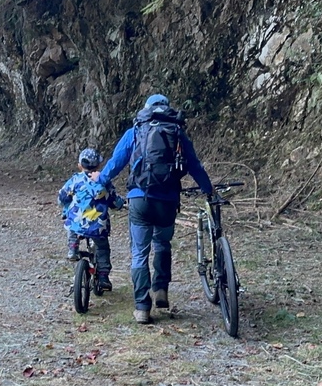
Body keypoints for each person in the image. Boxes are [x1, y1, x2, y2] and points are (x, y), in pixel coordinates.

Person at [93, 94, 213, 324]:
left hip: (140, 200)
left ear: (146, 110)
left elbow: (115, 163)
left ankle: (142, 308)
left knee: (139, 252)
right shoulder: (177, 132)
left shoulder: (136, 131)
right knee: (162, 244)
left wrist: (101, 179)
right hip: (167, 200)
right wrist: (208, 189)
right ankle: (160, 290)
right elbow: (194, 166)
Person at [58, 148, 125, 292]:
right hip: (98, 226)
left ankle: (73, 249)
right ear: (99, 166)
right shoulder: (104, 183)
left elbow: (63, 196)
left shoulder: (75, 179)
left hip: (77, 222)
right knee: (102, 248)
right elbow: (114, 201)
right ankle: (103, 277)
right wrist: (121, 204)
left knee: (71, 227)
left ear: (79, 166)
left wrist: (66, 207)